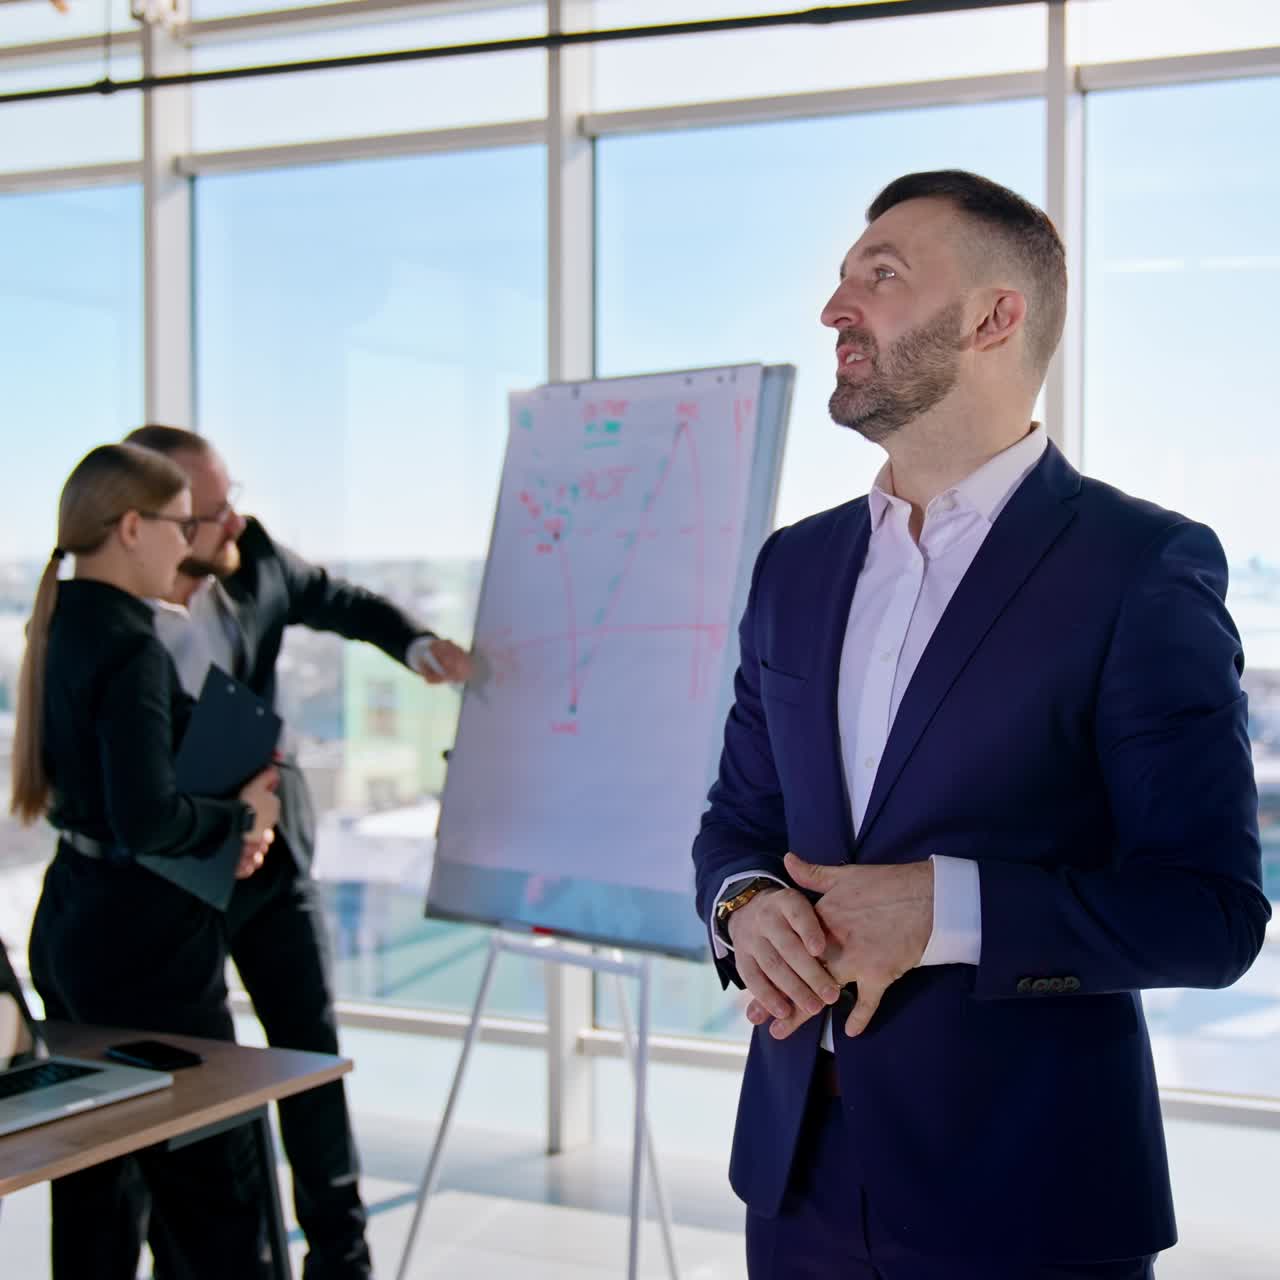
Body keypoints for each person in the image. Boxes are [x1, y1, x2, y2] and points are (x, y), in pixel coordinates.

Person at [692, 170, 1271, 1279]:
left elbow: (1209, 916)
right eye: (838, 278)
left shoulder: (1139, 566)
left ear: (994, 317)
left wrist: (944, 907)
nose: (833, 309)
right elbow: (738, 815)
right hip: (794, 1176)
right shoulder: (793, 565)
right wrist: (743, 900)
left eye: (881, 275)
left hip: (1028, 1197)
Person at [123, 424, 473, 1280]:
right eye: (211, 513)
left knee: (308, 1049)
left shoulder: (256, 559)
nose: (235, 523)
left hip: (272, 855)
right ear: (154, 520)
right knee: (191, 1068)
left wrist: (418, 647)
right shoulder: (110, 613)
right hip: (176, 875)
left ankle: (340, 1252)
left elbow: (345, 603)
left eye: (232, 500)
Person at [12, 442, 281, 1280]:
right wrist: (239, 816)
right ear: (132, 527)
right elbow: (147, 818)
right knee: (216, 1203)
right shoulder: (133, 647)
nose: (188, 546)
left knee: (96, 1193)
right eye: (179, 527)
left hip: (73, 929)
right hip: (149, 955)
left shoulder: (64, 626)